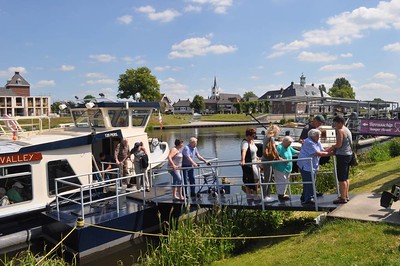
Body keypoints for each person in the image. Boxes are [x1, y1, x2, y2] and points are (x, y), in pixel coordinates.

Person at [297, 129, 332, 205]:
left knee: (311, 180)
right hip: (305, 164)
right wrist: (332, 153)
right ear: (313, 136)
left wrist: (332, 148)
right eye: (318, 135)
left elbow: (322, 150)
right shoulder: (308, 142)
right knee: (309, 181)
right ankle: (308, 199)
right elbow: (318, 153)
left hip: (312, 164)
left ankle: (305, 196)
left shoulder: (317, 141)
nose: (319, 137)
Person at [326, 115, 353, 204]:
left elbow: (339, 145)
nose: (335, 126)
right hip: (348, 154)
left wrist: (330, 148)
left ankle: (342, 198)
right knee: (346, 177)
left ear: (340, 123)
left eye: (336, 124)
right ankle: (346, 195)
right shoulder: (347, 130)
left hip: (342, 156)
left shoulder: (341, 131)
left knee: (341, 178)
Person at [298, 114, 326, 197]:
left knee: (312, 177)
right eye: (319, 123)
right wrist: (306, 143)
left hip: (313, 157)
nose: (320, 125)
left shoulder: (316, 129)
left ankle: (312, 192)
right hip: (308, 155)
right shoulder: (307, 128)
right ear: (315, 121)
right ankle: (307, 195)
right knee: (308, 178)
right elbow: (301, 140)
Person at [273, 136, 299, 201]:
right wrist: (282, 159)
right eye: (288, 143)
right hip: (279, 168)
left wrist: (304, 153)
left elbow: (295, 152)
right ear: (284, 141)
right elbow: (275, 156)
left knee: (286, 181)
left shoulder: (289, 147)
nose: (289, 144)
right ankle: (281, 195)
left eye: (290, 143)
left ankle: (283, 194)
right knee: (281, 181)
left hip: (288, 168)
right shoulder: (279, 147)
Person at [261, 125, 281, 202]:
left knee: (267, 178)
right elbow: (274, 148)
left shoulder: (265, 136)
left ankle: (267, 195)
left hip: (265, 159)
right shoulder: (271, 138)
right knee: (268, 178)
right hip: (267, 160)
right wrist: (278, 157)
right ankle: (265, 196)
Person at [240, 128, 260, 199]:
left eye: (254, 136)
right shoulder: (245, 143)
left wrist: (257, 157)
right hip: (249, 163)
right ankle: (249, 195)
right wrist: (243, 160)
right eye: (253, 136)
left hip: (255, 162)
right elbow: (244, 151)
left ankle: (255, 194)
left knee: (256, 178)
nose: (253, 137)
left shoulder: (252, 141)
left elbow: (254, 151)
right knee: (249, 179)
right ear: (248, 135)